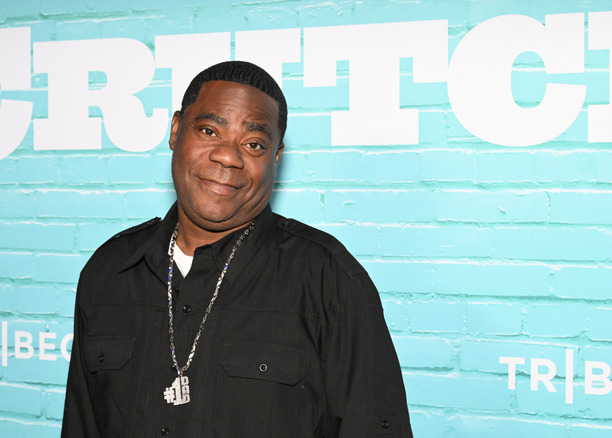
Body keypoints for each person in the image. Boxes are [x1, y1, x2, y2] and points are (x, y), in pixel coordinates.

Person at [61, 61, 413, 437]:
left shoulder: (329, 280)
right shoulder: (109, 271)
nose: (228, 156)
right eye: (210, 130)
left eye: (254, 143)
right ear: (176, 130)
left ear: (276, 157)